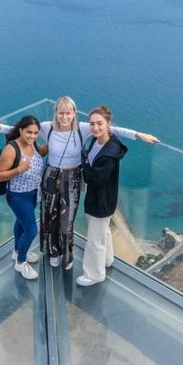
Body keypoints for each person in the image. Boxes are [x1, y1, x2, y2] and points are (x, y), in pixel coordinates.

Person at [0, 96, 158, 271]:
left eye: (68, 113)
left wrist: (138, 134)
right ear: (56, 113)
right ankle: (52, 252)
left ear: (74, 113)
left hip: (73, 177)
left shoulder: (83, 129)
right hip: (51, 175)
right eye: (61, 113)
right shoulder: (48, 128)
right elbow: (22, 129)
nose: (65, 117)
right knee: (49, 216)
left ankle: (66, 256)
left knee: (67, 220)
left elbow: (112, 129)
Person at [77, 105, 128, 286]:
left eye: (99, 123)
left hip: (101, 201)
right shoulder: (98, 141)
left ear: (108, 124)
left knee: (95, 240)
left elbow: (94, 178)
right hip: (100, 199)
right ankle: (107, 260)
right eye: (92, 124)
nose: (95, 127)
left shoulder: (109, 153)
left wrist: (83, 163)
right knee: (102, 232)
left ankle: (94, 274)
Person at [0, 115, 47, 280]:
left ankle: (17, 251)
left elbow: (42, 152)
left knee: (21, 223)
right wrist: (19, 169)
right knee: (31, 230)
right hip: (18, 196)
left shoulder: (33, 145)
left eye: (35, 133)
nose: (32, 136)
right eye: (28, 132)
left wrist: (59, 142)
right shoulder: (11, 149)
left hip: (33, 193)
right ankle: (21, 263)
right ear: (20, 130)